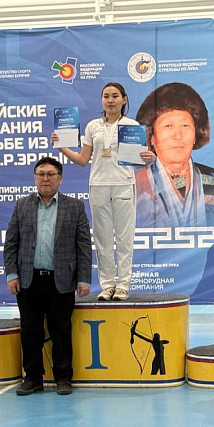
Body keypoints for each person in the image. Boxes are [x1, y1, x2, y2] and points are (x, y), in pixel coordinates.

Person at [54, 82, 154, 301]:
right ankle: (108, 285)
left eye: (115, 96)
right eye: (106, 96)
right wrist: (62, 147)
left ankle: (123, 285)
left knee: (124, 238)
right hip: (98, 184)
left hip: (123, 184)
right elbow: (83, 159)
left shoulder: (131, 126)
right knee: (102, 238)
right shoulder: (93, 126)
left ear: (124, 100)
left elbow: (139, 160)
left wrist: (150, 158)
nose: (110, 100)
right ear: (101, 100)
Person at [4, 157, 92, 396]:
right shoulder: (22, 205)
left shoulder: (75, 207)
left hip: (61, 281)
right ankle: (32, 378)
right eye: (41, 174)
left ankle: (63, 378)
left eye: (51, 174)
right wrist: (12, 274)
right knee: (30, 330)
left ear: (60, 179)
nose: (45, 178)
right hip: (28, 280)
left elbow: (83, 246)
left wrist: (84, 279)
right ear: (35, 178)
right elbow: (11, 243)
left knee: (61, 331)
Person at [135, 82, 214, 228]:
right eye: (168, 126)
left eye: (185, 126)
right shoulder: (137, 184)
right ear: (152, 136)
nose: (178, 135)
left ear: (195, 134)